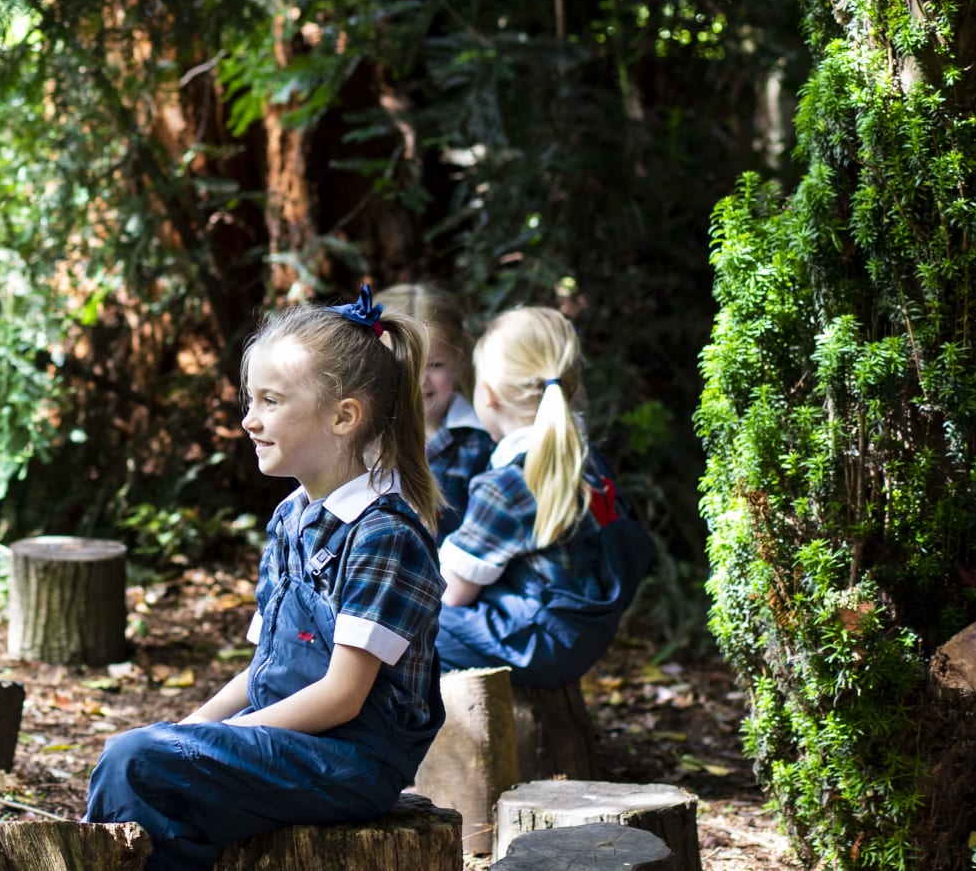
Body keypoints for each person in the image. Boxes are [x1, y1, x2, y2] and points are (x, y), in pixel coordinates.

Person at [84, 288, 446, 871]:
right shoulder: (291, 518)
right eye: (249, 399)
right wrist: (193, 728)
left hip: (351, 760)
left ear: (344, 416)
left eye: (271, 401)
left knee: (138, 762)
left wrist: (219, 741)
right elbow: (262, 670)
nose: (249, 420)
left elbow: (342, 695)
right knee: (139, 755)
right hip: (286, 746)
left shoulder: (386, 535)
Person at [435, 306, 657, 688]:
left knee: (405, 625)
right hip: (585, 635)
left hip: (537, 643)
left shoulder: (507, 484)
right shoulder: (584, 459)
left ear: (487, 395)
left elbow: (450, 592)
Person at [374, 283, 494, 540]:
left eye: (434, 365)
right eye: (402, 366)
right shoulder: (359, 438)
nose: (418, 380)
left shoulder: (482, 446)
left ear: (459, 362)